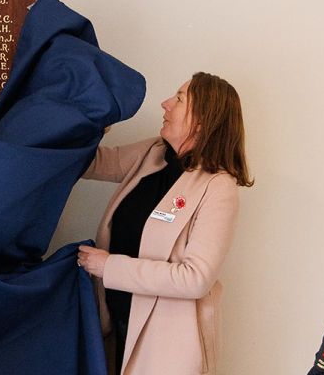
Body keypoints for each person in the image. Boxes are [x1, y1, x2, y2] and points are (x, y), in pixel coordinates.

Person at [77, 72, 252, 375]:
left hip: (167, 346)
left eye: (180, 98)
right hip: (115, 325)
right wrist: (90, 124)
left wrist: (109, 268)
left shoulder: (218, 186)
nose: (166, 104)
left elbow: (195, 278)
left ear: (201, 120)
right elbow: (90, 163)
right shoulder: (153, 152)